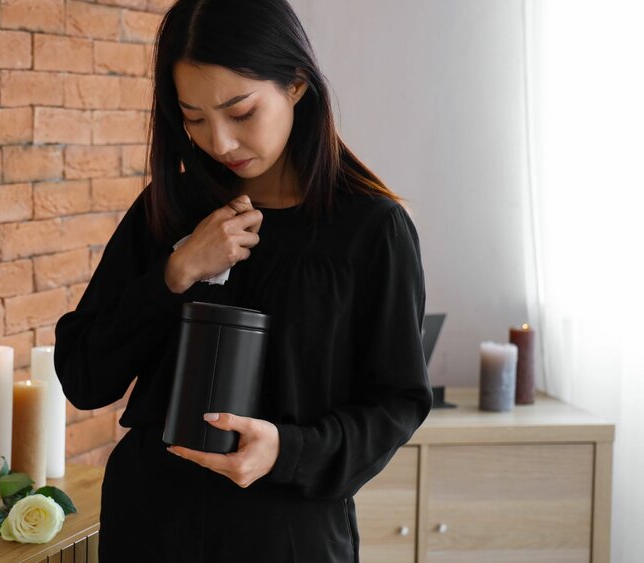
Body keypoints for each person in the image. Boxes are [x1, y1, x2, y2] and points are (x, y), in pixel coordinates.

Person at [52, 0, 433, 561]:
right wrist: (175, 274)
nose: (221, 142)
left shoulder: (370, 229)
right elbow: (85, 377)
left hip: (288, 539)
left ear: (297, 84)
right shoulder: (172, 210)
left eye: (241, 112)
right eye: (195, 118)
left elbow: (396, 404)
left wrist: (287, 450)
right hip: (152, 528)